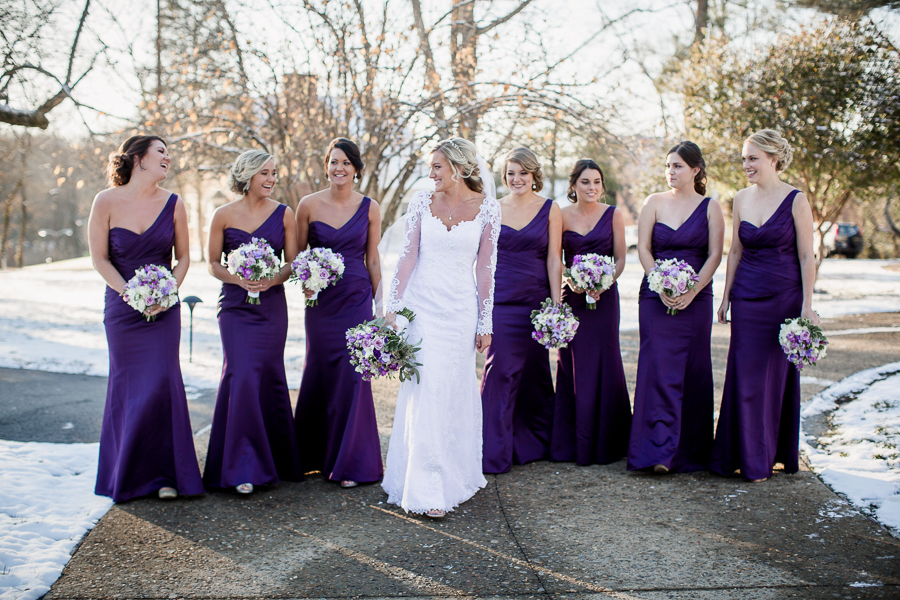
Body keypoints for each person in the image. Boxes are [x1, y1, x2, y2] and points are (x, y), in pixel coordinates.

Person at [382, 137, 500, 518]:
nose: (430, 174)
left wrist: (485, 320)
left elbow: (485, 269)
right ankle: (425, 484)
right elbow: (407, 256)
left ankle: (455, 474)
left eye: (437, 167)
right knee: (426, 386)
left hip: (461, 310)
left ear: (459, 168)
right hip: (423, 307)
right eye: (430, 167)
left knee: (451, 388)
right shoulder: (421, 202)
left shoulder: (488, 209)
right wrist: (393, 307)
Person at [89, 134, 204, 502]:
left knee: (162, 384)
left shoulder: (174, 203)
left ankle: (167, 476)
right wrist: (130, 294)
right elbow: (100, 259)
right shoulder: (105, 201)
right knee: (128, 388)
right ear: (138, 159)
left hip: (164, 308)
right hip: (122, 310)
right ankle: (129, 476)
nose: (168, 158)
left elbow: (184, 257)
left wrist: (167, 291)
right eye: (161, 153)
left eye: (168, 153)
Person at [711, 130, 817, 482]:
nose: (746, 165)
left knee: (772, 379)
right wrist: (726, 295)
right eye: (744, 159)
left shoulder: (796, 200)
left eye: (752, 158)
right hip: (746, 297)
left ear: (773, 158)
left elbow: (806, 254)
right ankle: (738, 455)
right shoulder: (740, 198)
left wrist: (807, 304)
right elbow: (736, 250)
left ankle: (763, 457)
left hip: (783, 298)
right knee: (745, 375)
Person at [204, 149, 302, 494]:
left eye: (274, 173)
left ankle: (274, 460)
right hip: (234, 307)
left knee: (270, 375)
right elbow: (212, 264)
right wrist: (238, 279)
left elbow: (292, 262)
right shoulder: (222, 215)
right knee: (242, 374)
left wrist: (271, 279)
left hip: (272, 306)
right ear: (246, 176)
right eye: (265, 173)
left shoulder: (285, 214)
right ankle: (242, 466)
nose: (272, 179)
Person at [627, 141, 724, 474]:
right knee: (656, 370)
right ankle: (655, 452)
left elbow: (715, 254)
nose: (671, 172)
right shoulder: (653, 203)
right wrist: (661, 282)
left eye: (678, 166)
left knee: (692, 370)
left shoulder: (711, 207)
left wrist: (693, 290)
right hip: (656, 297)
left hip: (697, 299)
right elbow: (643, 249)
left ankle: (688, 453)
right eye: (668, 166)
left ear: (695, 170)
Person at [293, 138, 383, 488]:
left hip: (356, 297)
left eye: (346, 163)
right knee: (318, 369)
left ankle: (350, 463)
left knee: (353, 373)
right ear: (326, 166)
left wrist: (380, 304)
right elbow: (298, 255)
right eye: (333, 162)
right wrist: (307, 282)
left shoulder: (370, 207)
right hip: (321, 302)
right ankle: (313, 457)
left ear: (357, 169)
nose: (339, 168)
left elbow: (372, 258)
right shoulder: (308, 205)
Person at [480, 147, 561, 474]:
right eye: (511, 173)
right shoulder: (492, 209)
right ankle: (492, 451)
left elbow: (554, 258)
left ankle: (532, 444)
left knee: (534, 374)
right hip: (501, 302)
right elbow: (483, 261)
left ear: (534, 176)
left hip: (536, 302)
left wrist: (556, 305)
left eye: (523, 173)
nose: (516, 179)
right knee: (499, 372)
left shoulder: (550, 209)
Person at [550, 159, 632, 465]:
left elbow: (621, 257)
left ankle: (608, 443)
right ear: (574, 185)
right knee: (574, 363)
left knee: (606, 361)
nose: (592, 188)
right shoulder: (560, 214)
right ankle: (574, 442)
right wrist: (573, 280)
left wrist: (605, 280)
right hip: (573, 298)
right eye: (585, 182)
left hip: (605, 299)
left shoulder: (614, 214)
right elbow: (555, 257)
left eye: (597, 182)